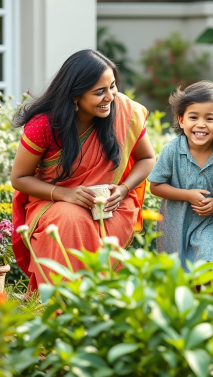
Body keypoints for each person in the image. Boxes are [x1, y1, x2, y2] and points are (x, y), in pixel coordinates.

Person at [11, 50, 155, 291]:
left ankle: (105, 304)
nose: (110, 97)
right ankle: (66, 304)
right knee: (71, 219)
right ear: (75, 96)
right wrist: (65, 194)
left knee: (103, 223)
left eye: (112, 87)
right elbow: (19, 178)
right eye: (99, 92)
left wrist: (123, 188)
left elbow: (147, 158)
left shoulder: (124, 112)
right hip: (53, 200)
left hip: (111, 202)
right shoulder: (44, 125)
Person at [148, 81, 213, 284]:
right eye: (193, 117)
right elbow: (155, 186)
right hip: (172, 224)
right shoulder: (172, 150)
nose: (201, 124)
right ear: (181, 120)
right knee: (175, 274)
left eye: (209, 119)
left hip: (206, 223)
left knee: (209, 264)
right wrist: (187, 194)